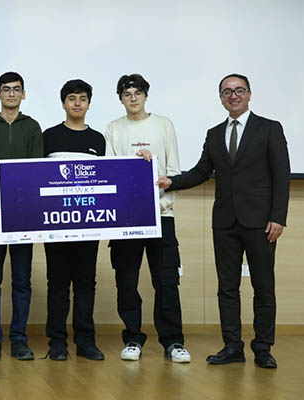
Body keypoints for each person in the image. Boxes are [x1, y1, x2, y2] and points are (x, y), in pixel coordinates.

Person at [157, 73, 290, 368]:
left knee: (263, 287)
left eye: (239, 90)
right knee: (227, 288)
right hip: (225, 222)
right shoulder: (214, 134)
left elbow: (282, 176)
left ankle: (263, 348)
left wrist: (278, 217)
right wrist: (171, 182)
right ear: (221, 98)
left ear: (249, 94)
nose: (233, 95)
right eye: (227, 92)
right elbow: (201, 171)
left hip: (261, 222)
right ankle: (232, 346)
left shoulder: (270, 129)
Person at [105, 74, 191, 363]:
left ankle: (173, 342)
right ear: (121, 98)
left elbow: (174, 171)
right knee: (126, 281)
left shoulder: (164, 125)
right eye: (127, 94)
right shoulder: (114, 128)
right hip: (126, 219)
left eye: (137, 93)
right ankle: (132, 338)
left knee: (166, 281)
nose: (133, 98)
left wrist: (163, 204)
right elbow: (111, 173)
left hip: (161, 216)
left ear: (145, 96)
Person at [0, 72, 43, 362]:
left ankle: (19, 340)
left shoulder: (33, 127)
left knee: (22, 281)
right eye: (6, 89)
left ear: (23, 94)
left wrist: (27, 208)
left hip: (23, 218)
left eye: (16, 89)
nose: (11, 94)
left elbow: (37, 171)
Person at [42, 79, 106, 361]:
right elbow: (38, 179)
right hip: (56, 224)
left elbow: (105, 180)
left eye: (82, 98)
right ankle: (57, 342)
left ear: (88, 103)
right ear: (63, 103)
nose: (77, 103)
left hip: (88, 224)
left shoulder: (98, 140)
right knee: (57, 283)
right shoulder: (49, 136)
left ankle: (85, 341)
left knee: (85, 283)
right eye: (72, 98)